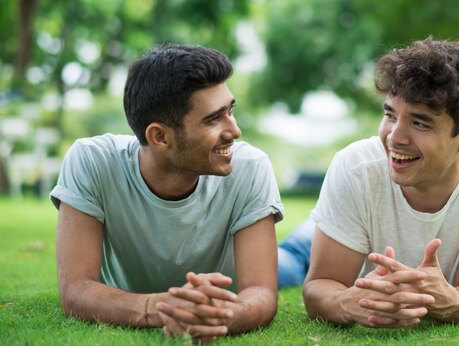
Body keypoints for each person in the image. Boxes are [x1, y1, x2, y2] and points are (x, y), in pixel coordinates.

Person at [278, 37, 459, 328]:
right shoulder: (356, 166)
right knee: (288, 264)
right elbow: (320, 288)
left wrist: (451, 300)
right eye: (390, 115)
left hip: (353, 230)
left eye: (420, 123)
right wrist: (351, 303)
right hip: (336, 233)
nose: (395, 137)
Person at [51, 44, 284, 343]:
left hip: (242, 253)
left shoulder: (251, 166)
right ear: (159, 137)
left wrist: (221, 316)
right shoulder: (91, 160)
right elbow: (76, 291)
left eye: (230, 110)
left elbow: (262, 293)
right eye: (214, 119)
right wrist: (159, 308)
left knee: (291, 261)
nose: (235, 131)